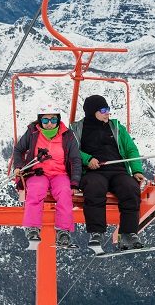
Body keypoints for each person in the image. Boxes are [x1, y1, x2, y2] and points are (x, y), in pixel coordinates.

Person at [70, 94, 145, 253]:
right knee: (94, 188)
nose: (107, 113)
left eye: (108, 109)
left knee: (131, 189)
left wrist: (136, 170)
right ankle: (97, 233)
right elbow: (71, 151)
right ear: (92, 112)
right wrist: (87, 159)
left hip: (118, 170)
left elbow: (131, 149)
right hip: (93, 171)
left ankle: (128, 233)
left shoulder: (116, 127)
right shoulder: (77, 129)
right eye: (103, 110)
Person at [12, 102, 82, 248]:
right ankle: (32, 228)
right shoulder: (33, 133)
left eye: (53, 120)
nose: (49, 123)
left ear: (58, 120)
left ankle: (63, 231)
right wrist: (18, 167)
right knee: (36, 190)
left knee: (64, 192)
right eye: (45, 120)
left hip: (60, 173)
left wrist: (75, 182)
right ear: (40, 120)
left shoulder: (67, 136)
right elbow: (18, 150)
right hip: (37, 172)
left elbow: (75, 159)